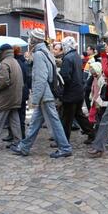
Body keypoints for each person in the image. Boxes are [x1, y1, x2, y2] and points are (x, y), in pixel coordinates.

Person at [11, 29, 72, 158]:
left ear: (34, 40)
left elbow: (40, 78)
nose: (29, 40)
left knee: (54, 122)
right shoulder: (46, 52)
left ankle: (65, 147)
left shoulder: (39, 54)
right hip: (46, 93)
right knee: (35, 122)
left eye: (31, 38)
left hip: (45, 94)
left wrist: (35, 99)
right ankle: (24, 146)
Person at [59, 36, 95, 144]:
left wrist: (62, 88)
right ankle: (92, 133)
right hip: (79, 91)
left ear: (66, 46)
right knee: (78, 115)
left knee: (67, 118)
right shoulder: (76, 56)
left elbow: (65, 76)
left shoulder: (67, 58)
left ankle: (64, 141)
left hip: (71, 93)